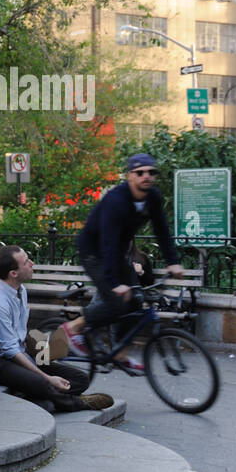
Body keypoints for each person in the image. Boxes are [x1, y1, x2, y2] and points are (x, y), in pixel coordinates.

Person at [59, 153, 184, 372]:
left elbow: (162, 231)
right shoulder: (116, 200)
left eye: (151, 172)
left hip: (115, 253)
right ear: (129, 176)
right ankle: (73, 328)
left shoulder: (153, 198)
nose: (147, 176)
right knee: (116, 302)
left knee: (137, 301)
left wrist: (173, 262)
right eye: (140, 172)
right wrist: (114, 283)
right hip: (93, 252)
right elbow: (107, 242)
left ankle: (121, 353)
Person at [0, 245, 111, 413]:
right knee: (42, 382)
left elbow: (21, 336)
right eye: (26, 262)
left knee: (80, 379)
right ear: (13, 273)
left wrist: (43, 353)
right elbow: (9, 349)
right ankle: (77, 403)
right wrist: (47, 377)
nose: (32, 263)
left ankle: (37, 395)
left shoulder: (20, 290)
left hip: (19, 354)